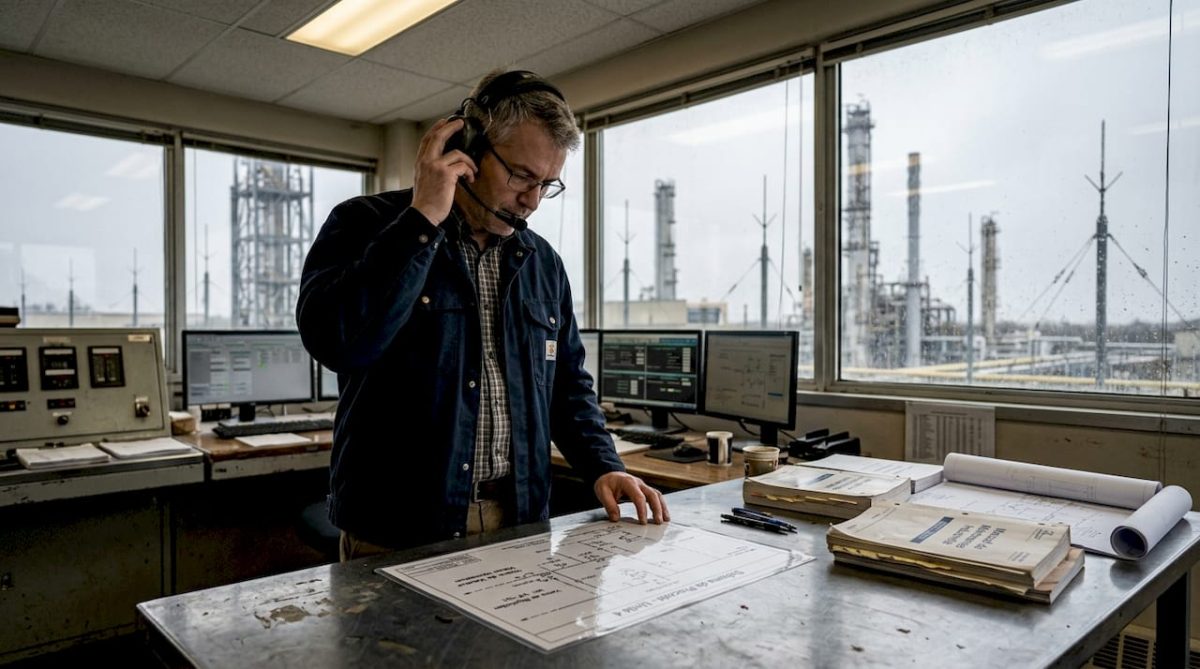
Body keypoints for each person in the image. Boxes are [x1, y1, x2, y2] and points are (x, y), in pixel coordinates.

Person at [297, 69, 669, 560]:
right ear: (467, 152)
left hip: (517, 524)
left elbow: (567, 387)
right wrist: (423, 219)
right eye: (520, 176)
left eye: (547, 185)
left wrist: (603, 465)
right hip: (398, 530)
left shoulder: (543, 264)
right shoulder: (365, 224)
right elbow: (339, 342)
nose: (532, 201)